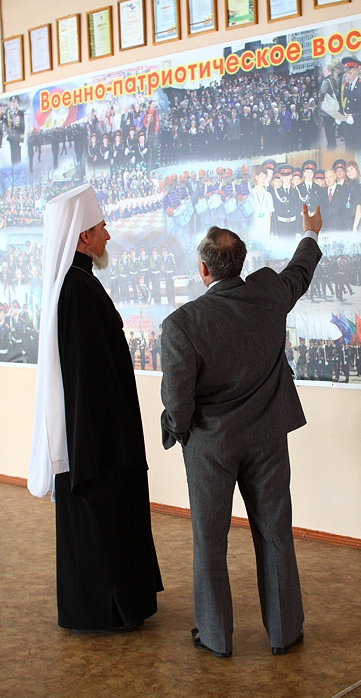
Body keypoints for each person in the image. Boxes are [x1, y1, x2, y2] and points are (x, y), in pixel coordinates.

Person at [160, 204, 323, 658]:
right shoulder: (268, 292)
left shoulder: (181, 325)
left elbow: (177, 402)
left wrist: (178, 431)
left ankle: (215, 637)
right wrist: (310, 232)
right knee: (275, 533)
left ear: (203, 269)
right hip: (268, 438)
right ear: (242, 263)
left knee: (210, 542)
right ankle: (284, 633)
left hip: (211, 445)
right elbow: (300, 272)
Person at [28, 184, 163, 633]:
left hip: (103, 438)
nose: (108, 235)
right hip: (99, 444)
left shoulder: (79, 284)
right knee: (104, 526)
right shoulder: (76, 290)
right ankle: (109, 612)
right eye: (102, 227)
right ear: (83, 236)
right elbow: (86, 382)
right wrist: (97, 453)